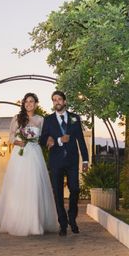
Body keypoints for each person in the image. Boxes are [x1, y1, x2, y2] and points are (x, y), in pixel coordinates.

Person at [0, 93, 59, 236]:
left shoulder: (40, 120)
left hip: (35, 153)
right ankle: (15, 219)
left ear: (36, 104)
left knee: (35, 184)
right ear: (23, 103)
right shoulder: (17, 118)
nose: (29, 104)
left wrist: (49, 140)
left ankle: (35, 221)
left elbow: (44, 137)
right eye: (26, 101)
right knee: (17, 185)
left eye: (32, 101)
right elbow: (11, 137)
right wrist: (19, 142)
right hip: (20, 153)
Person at [39, 90, 89, 236]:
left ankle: (72, 218)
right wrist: (55, 140)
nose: (57, 102)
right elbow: (42, 139)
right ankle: (62, 224)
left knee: (75, 189)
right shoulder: (48, 120)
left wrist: (85, 159)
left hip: (73, 161)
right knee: (58, 193)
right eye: (54, 100)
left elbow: (80, 139)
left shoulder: (74, 118)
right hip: (56, 161)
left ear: (65, 102)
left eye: (59, 99)